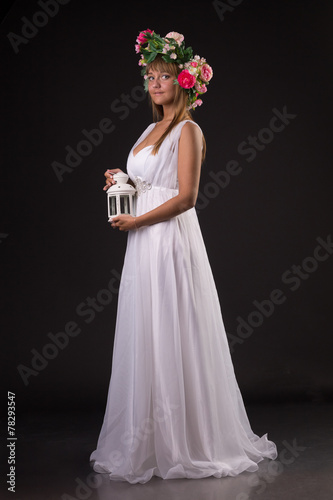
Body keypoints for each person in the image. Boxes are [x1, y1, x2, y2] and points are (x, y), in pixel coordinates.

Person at [90, 29, 277, 484]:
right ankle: (148, 442)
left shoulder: (187, 130)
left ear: (184, 82)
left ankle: (189, 440)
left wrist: (137, 220)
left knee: (174, 327)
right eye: (149, 76)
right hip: (143, 243)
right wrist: (123, 182)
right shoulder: (149, 129)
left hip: (167, 239)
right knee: (147, 329)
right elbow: (152, 183)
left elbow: (187, 196)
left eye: (164, 76)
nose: (154, 84)